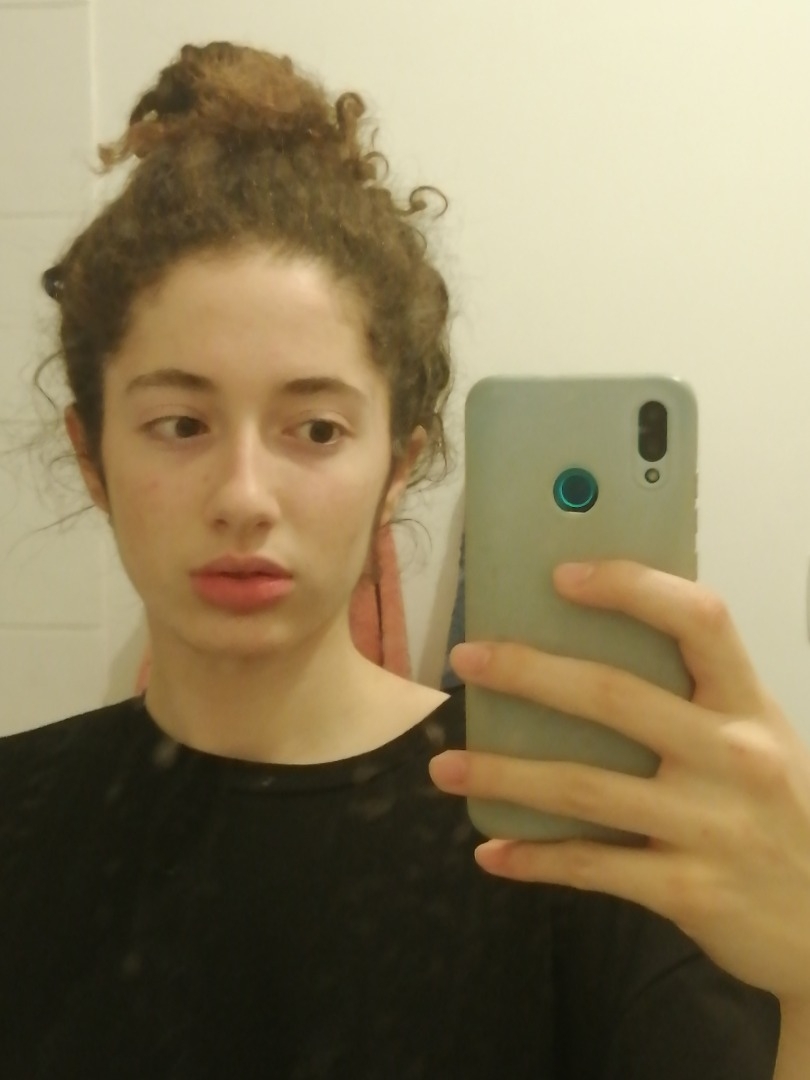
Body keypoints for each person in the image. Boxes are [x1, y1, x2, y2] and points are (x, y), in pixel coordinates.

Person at [1, 39, 807, 1078]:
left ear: (397, 467)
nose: (244, 495)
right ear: (92, 456)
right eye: (180, 424)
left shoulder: (578, 828)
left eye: (316, 429)